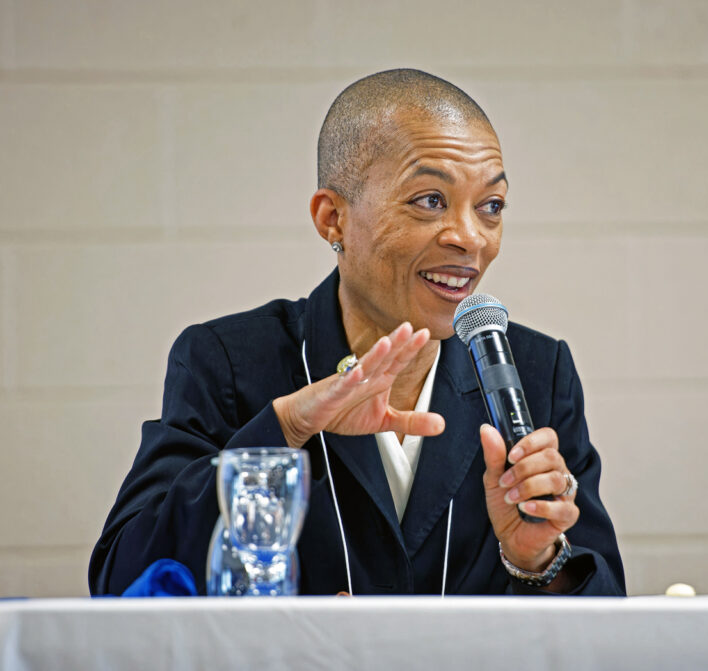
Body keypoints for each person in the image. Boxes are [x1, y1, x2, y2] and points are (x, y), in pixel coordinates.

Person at [89, 69, 625, 597]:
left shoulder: (536, 372)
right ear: (333, 219)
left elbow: (610, 616)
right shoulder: (229, 361)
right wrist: (284, 428)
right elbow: (121, 577)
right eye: (430, 200)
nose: (471, 238)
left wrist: (538, 561)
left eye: (491, 207)